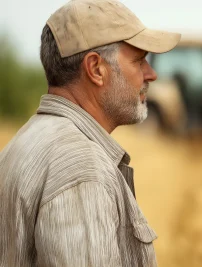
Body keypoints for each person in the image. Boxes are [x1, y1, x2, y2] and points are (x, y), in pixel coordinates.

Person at [0, 0, 181, 266]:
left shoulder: (21, 143)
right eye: (140, 60)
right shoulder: (81, 168)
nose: (151, 74)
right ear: (96, 69)